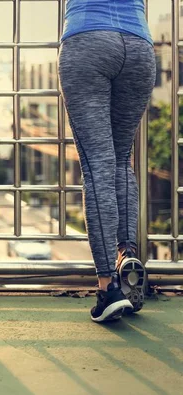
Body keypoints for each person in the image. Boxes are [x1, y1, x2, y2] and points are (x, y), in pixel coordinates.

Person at [59, 0, 155, 322]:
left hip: (87, 39)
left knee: (97, 164)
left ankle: (107, 288)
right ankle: (126, 257)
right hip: (139, 44)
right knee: (121, 159)